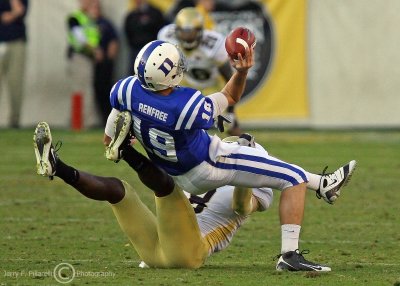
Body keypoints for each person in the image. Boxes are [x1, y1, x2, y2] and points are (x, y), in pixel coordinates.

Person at [103, 40, 357, 270]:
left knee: (264, 163)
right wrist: (242, 71)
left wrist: (116, 140)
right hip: (209, 164)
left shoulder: (126, 89)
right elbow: (230, 96)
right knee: (293, 178)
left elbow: (111, 130)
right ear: (169, 76)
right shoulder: (185, 104)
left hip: (177, 175)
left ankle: (324, 185)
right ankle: (290, 256)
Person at [33, 121, 277, 269]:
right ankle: (58, 167)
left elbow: (242, 208)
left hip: (189, 253)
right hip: (157, 249)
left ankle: (124, 151)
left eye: (236, 153)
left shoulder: (259, 186)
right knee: (121, 192)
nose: (228, 154)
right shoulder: (208, 167)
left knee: (168, 189)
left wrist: (244, 176)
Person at [157, 7, 242, 135]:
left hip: (212, 86)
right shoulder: (166, 36)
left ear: (201, 31)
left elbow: (229, 78)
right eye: (184, 32)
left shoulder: (215, 45)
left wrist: (231, 112)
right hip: (184, 84)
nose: (187, 37)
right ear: (176, 30)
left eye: (191, 32)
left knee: (227, 128)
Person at [66, 0, 102, 128]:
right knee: (79, 90)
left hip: (87, 58)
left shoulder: (89, 19)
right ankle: (78, 123)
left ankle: (83, 122)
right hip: (79, 57)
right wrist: (95, 50)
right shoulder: (75, 17)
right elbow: (80, 38)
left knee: (85, 89)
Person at [87, 0, 119, 126]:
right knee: (96, 91)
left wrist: (109, 58)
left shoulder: (105, 23)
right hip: (92, 63)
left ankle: (109, 118)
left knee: (106, 89)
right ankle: (101, 119)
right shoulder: (87, 24)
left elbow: (114, 40)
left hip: (105, 63)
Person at [0, 0, 28, 128]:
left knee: (15, 82)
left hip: (16, 41)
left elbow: (20, 10)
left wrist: (12, 13)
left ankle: (14, 121)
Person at [124, 0, 167, 75]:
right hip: (136, 50)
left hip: (153, 50)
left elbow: (161, 30)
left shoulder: (155, 13)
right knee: (134, 74)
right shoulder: (132, 15)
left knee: (153, 74)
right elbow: (127, 31)